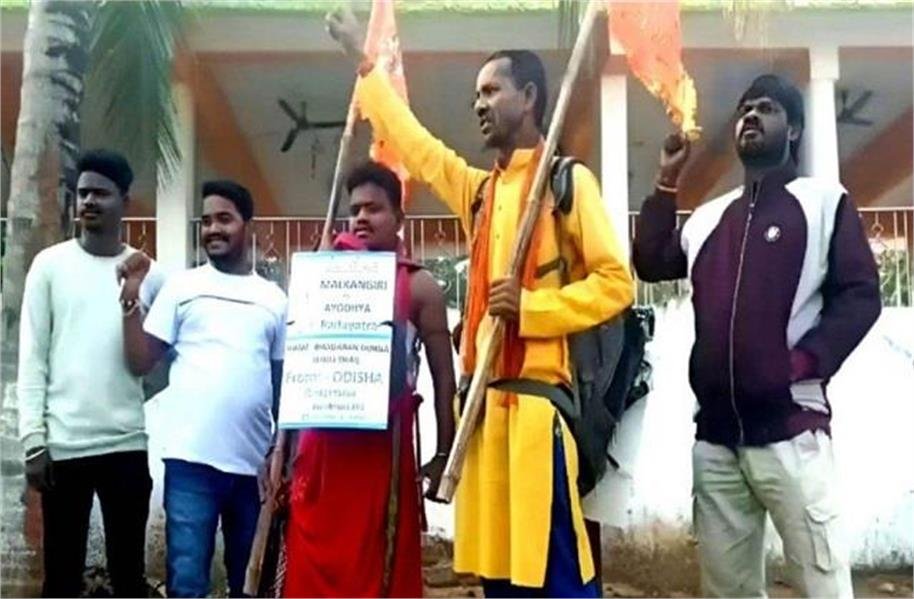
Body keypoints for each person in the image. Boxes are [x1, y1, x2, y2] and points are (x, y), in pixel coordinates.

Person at [327, 11, 635, 597]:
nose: (480, 104)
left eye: (492, 90)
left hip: (540, 413)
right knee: (499, 577)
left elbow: (616, 283)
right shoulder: (479, 192)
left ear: (530, 96)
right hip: (485, 416)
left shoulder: (568, 184)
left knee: (558, 570)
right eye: (476, 94)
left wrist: (533, 308)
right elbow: (416, 147)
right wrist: (366, 69)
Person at [633, 74, 881, 598]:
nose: (750, 116)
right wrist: (665, 184)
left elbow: (860, 294)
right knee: (729, 591)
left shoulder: (823, 203)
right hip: (716, 441)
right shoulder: (708, 218)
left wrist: (806, 361)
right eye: (745, 109)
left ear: (793, 129)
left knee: (822, 581)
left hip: (792, 430)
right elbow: (652, 261)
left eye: (766, 109)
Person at [281, 161, 457, 597]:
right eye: (355, 209)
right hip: (321, 451)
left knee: (379, 563)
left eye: (374, 208)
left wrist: (443, 453)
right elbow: (297, 368)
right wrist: (280, 453)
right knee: (312, 564)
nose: (361, 217)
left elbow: (443, 376)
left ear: (399, 219)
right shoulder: (320, 273)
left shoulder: (420, 287)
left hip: (383, 452)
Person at [119, 179, 288, 598]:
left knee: (249, 581)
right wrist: (129, 303)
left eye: (224, 219)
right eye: (207, 221)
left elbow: (283, 382)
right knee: (188, 581)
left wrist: (281, 453)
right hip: (190, 462)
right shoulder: (183, 287)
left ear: (248, 226)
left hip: (253, 469)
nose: (213, 228)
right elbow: (141, 361)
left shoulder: (274, 299)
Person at [18, 149, 164, 597]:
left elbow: (157, 364)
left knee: (128, 577)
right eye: (82, 193)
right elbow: (33, 356)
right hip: (64, 449)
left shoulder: (148, 274)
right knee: (60, 579)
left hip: (126, 445)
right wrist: (33, 441)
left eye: (100, 193)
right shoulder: (49, 266)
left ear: (125, 199)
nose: (88, 202)